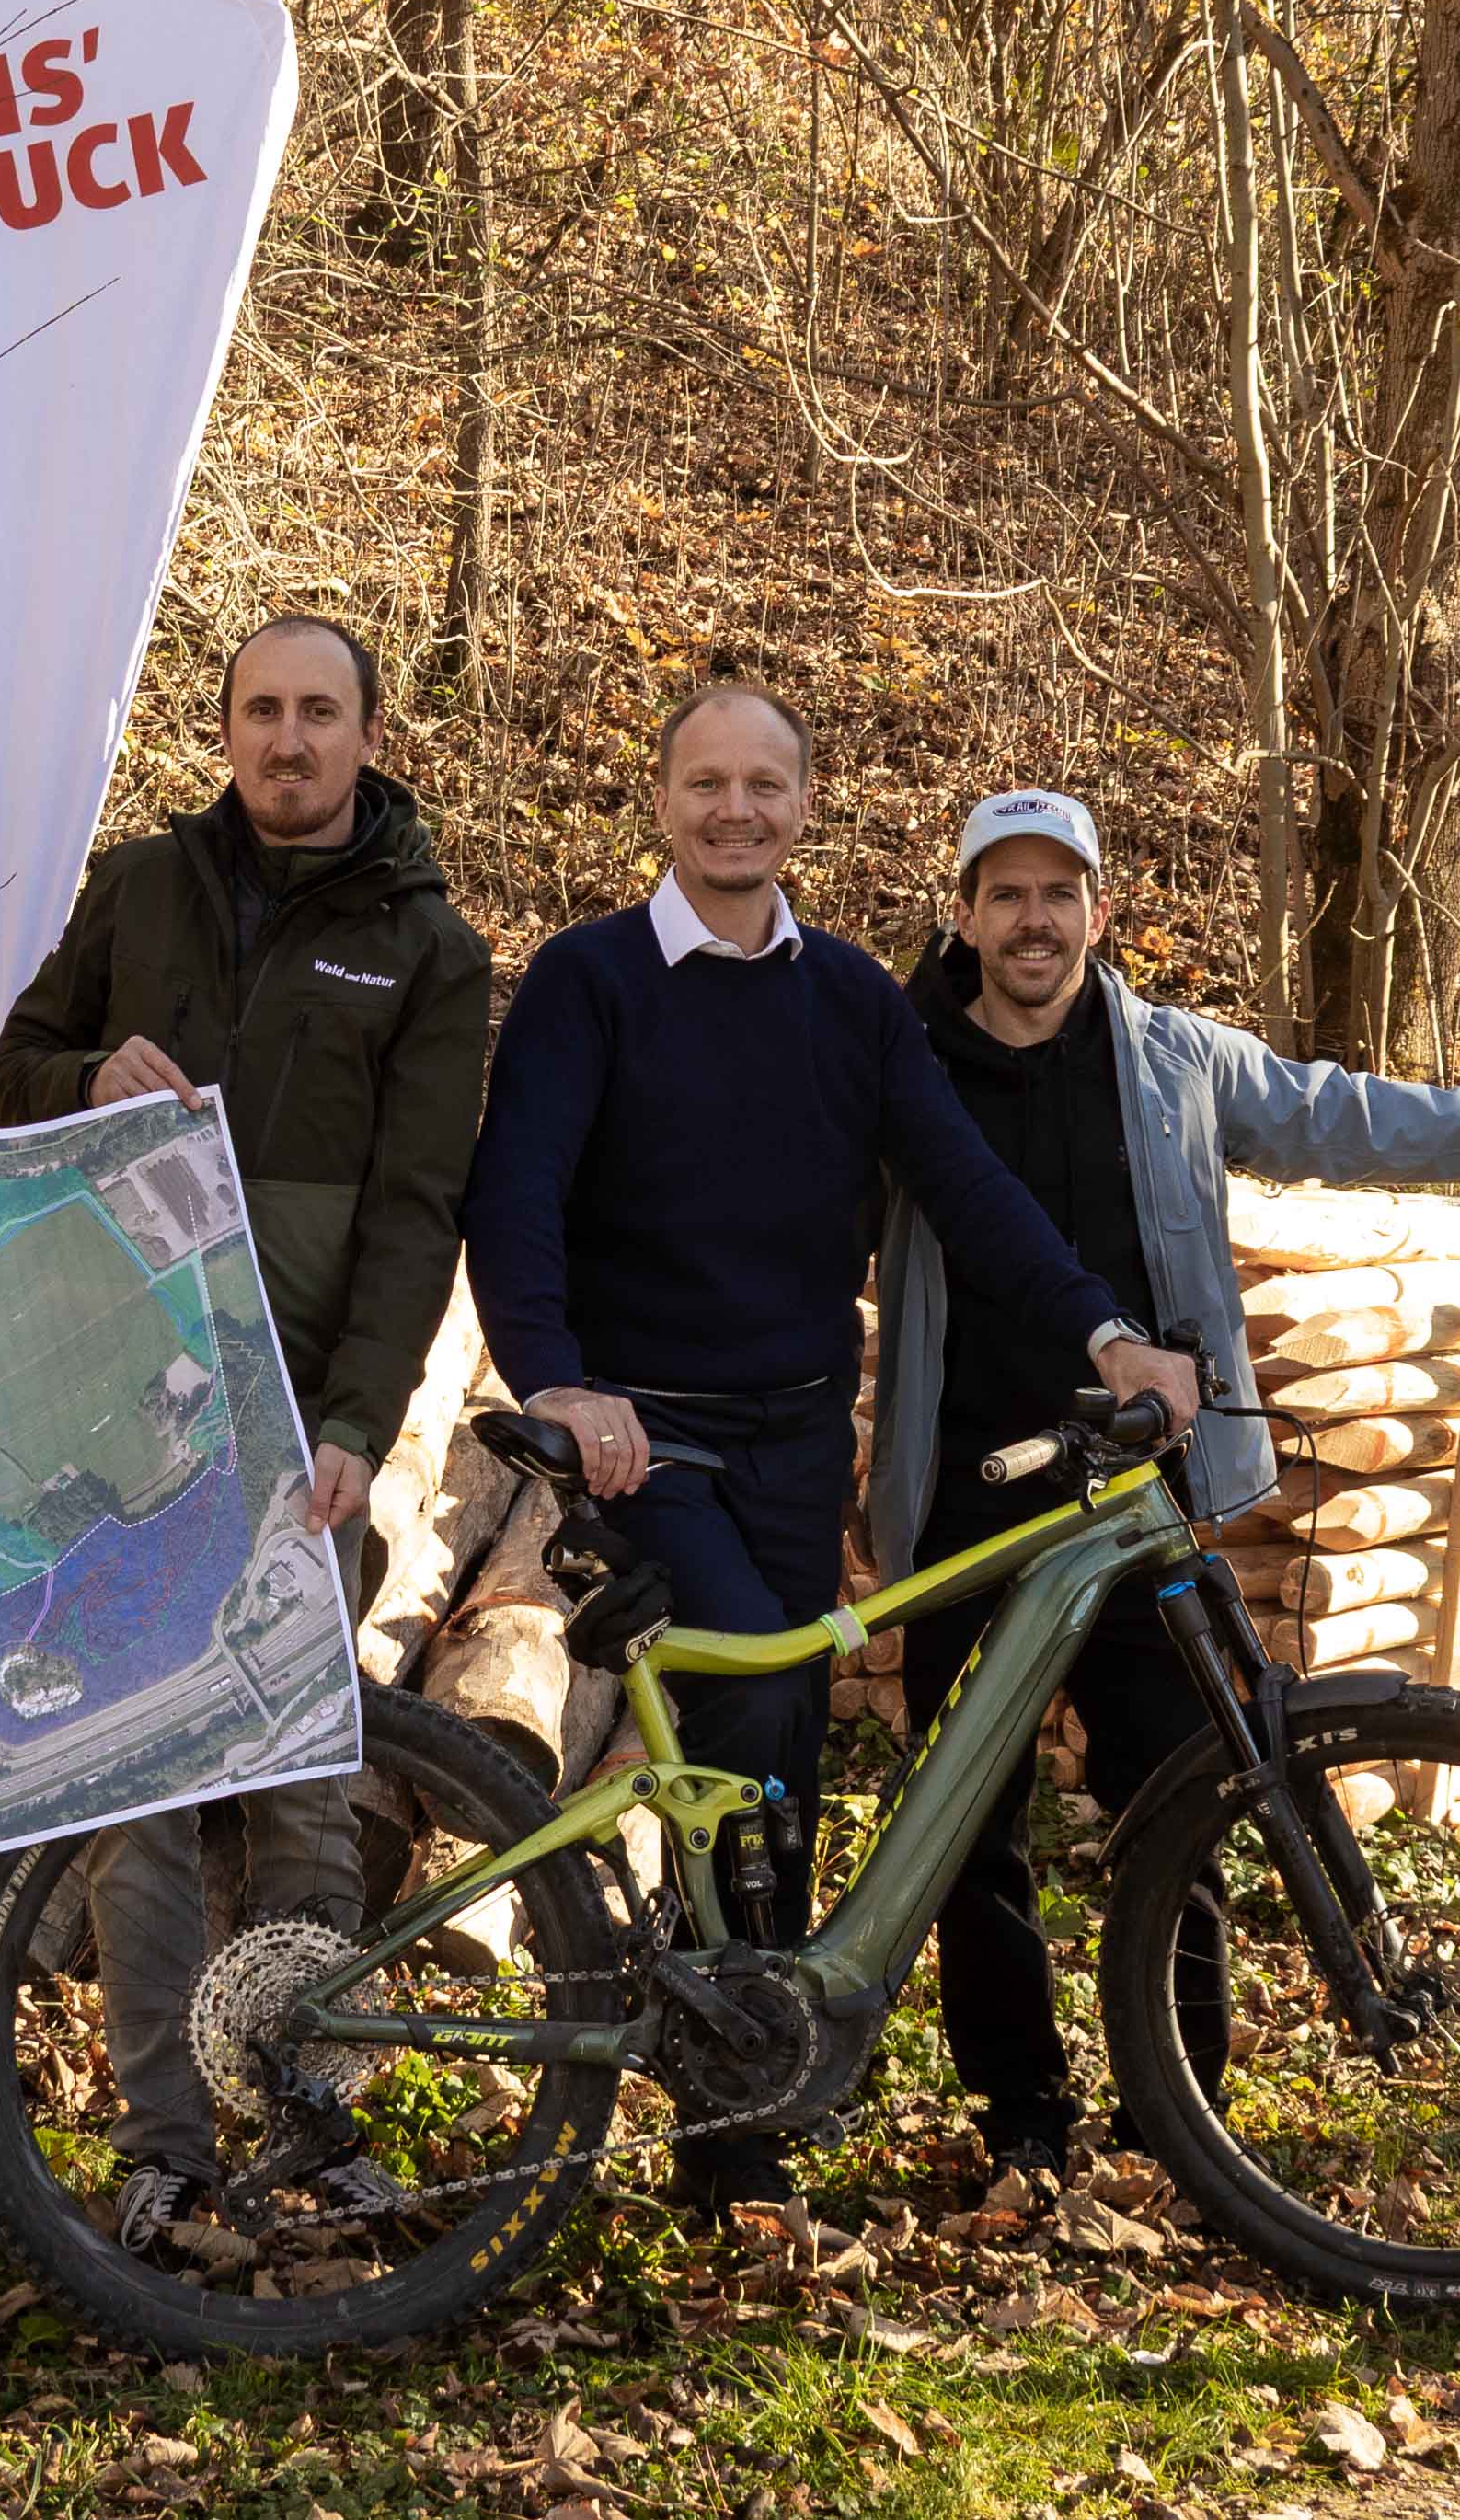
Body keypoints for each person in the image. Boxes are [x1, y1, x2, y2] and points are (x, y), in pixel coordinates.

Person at [458, 685, 1200, 2207]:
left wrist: (1103, 1331)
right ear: (662, 802)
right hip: (645, 1440)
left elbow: (970, 1189)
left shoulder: (853, 999)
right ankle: (729, 2135)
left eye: (766, 787)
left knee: (780, 1756)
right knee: (756, 1692)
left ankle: (750, 2103)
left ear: (805, 807)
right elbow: (513, 1197)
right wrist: (562, 1382)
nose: (736, 812)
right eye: (706, 785)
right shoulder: (587, 982)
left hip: (797, 1436)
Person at [872, 787, 1460, 2189]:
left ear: (1098, 914)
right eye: (1006, 894)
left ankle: (1183, 2116)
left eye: (1060, 893)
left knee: (1177, 1803)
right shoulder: (901, 1063)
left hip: (1138, 1505)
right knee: (962, 1830)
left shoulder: (1175, 1063)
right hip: (964, 1498)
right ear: (966, 916)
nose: (1033, 920)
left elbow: (1346, 1119)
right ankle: (1023, 2124)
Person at [0, 611, 492, 2250]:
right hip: (123, 1418)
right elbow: (3, 1076)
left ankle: (312, 2119)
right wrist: (80, 1081)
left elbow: (417, 1214)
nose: (288, 740)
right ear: (226, 730)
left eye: (319, 713)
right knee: (145, 1788)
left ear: (364, 733)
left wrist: (360, 1418)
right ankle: (162, 2147)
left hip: (298, 1434)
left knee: (294, 1782)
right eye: (261, 710)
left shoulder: (429, 948)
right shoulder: (141, 889)